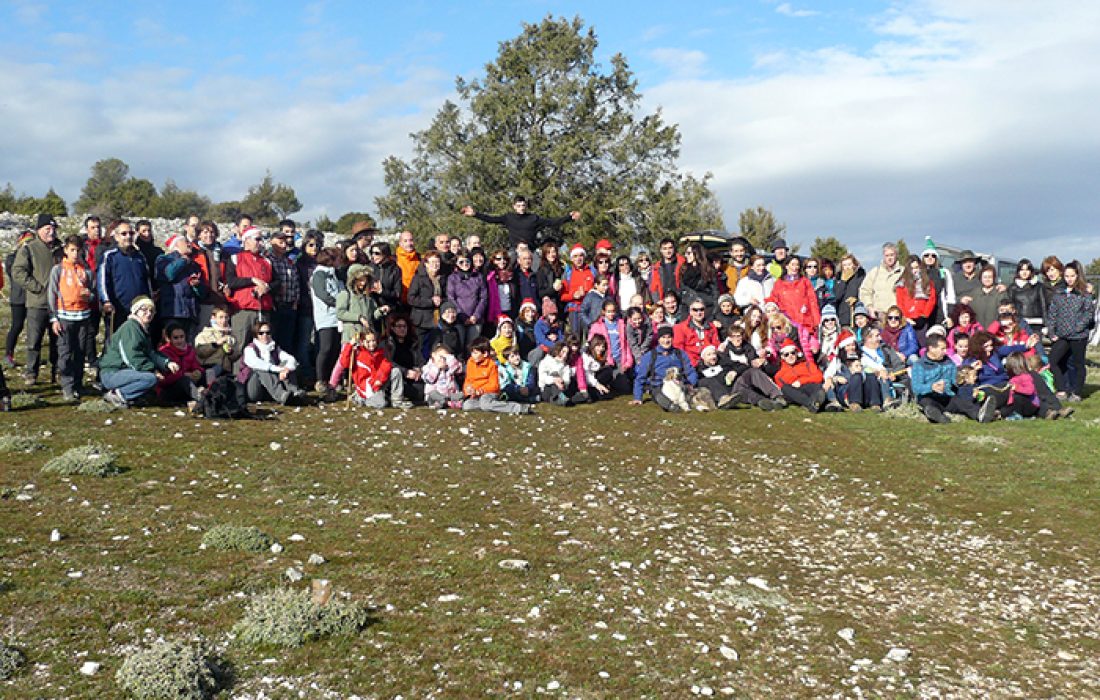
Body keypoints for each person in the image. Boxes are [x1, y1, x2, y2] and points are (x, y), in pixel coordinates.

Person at [98, 296, 180, 408]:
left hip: (124, 371)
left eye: (151, 311)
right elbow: (132, 356)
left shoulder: (142, 329)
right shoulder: (130, 327)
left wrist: (167, 363)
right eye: (144, 310)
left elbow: (151, 353)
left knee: (155, 378)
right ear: (136, 311)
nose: (148, 313)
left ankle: (131, 396)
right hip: (113, 372)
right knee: (150, 379)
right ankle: (118, 394)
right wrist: (152, 370)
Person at [12, 214, 61, 385]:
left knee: (58, 341)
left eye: (53, 228)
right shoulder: (29, 248)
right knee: (34, 341)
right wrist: (37, 288)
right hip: (37, 303)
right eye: (47, 229)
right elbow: (18, 271)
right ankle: (31, 373)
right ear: (39, 230)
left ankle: (58, 372)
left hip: (59, 304)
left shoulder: (61, 248)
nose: (51, 232)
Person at [48, 235, 95, 401]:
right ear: (66, 250)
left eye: (78, 250)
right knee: (65, 353)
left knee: (80, 352)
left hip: (83, 317)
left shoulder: (86, 270)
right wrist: (54, 318)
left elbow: (93, 292)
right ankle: (67, 387)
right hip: (64, 317)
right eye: (72, 250)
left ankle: (78, 384)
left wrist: (89, 295)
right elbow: (52, 294)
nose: (75, 253)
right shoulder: (58, 270)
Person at [912, 334, 993, 423]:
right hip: (929, 396)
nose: (945, 351)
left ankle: (980, 415)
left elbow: (955, 381)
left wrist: (966, 376)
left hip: (947, 396)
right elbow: (916, 387)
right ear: (931, 348)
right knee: (927, 402)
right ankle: (937, 416)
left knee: (962, 402)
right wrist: (932, 387)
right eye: (942, 349)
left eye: (945, 348)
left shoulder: (949, 362)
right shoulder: (919, 365)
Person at [1045, 260, 1095, 402]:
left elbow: (1088, 314)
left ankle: (1077, 392)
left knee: (1078, 363)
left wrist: (1078, 328)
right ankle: (1062, 389)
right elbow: (1052, 314)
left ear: (1078, 275)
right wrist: (1051, 332)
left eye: (1072, 276)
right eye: (1067, 276)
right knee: (1053, 360)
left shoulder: (1084, 294)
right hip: (1062, 335)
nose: (1069, 279)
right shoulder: (1059, 293)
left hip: (1078, 336)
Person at [329, 328, 411, 408]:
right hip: (366, 386)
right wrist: (349, 346)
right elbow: (345, 363)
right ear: (362, 342)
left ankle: (397, 401)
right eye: (368, 342)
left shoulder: (380, 352)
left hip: (378, 381)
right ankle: (359, 398)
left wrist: (380, 379)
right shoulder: (357, 353)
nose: (371, 344)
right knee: (381, 404)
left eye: (373, 341)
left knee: (396, 371)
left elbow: (386, 365)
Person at [461, 195, 580, 250]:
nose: (521, 208)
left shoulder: (533, 218)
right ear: (514, 206)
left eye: (523, 205)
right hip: (515, 250)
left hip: (530, 250)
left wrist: (569, 217)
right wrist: (475, 214)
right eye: (518, 205)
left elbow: (552, 222)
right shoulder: (509, 218)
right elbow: (491, 219)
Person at [98, 218, 153, 334]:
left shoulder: (140, 256)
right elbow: (102, 281)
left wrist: (150, 300)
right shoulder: (110, 256)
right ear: (116, 236)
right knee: (115, 340)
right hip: (117, 309)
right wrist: (106, 301)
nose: (128, 236)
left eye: (131, 233)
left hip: (139, 309)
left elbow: (146, 281)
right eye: (124, 234)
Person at [715, 322, 786, 410]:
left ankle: (776, 397)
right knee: (741, 390)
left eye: (739, 336)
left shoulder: (749, 349)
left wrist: (762, 362)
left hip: (750, 379)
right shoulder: (724, 352)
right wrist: (742, 368)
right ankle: (763, 401)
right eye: (734, 336)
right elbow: (728, 366)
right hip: (735, 383)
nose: (737, 339)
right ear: (729, 338)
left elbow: (754, 365)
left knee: (754, 372)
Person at [225, 227, 274, 350]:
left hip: (263, 309)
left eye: (261, 239)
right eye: (257, 239)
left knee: (263, 347)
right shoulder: (235, 258)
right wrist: (251, 280)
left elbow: (276, 282)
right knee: (239, 346)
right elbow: (231, 281)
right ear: (247, 240)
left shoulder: (267, 261)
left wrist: (267, 287)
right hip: (243, 309)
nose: (260, 243)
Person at [631, 326, 698, 411]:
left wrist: (691, 384)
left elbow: (690, 371)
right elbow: (640, 378)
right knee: (658, 395)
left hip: (679, 385)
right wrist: (638, 397)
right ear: (658, 339)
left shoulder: (680, 354)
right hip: (659, 386)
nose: (666, 341)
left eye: (669, 337)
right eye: (663, 337)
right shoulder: (650, 356)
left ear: (672, 338)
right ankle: (671, 406)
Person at [240, 320, 306, 405]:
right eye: (261, 333)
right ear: (256, 335)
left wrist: (286, 369)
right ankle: (281, 395)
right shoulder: (249, 349)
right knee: (261, 369)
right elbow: (256, 363)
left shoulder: (274, 348)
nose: (265, 335)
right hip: (253, 389)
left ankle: (294, 392)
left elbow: (291, 359)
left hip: (270, 387)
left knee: (286, 363)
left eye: (268, 333)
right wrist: (278, 369)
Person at [462, 337, 532, 413]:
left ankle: (518, 408)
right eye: (472, 353)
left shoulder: (492, 365)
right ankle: (493, 405)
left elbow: (494, 386)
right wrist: (467, 390)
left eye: (475, 353)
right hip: (476, 393)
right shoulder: (470, 362)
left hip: (489, 393)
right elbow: (468, 379)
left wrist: (480, 391)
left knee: (485, 403)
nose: (472, 355)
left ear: (485, 354)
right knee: (467, 406)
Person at [154, 235, 202, 341]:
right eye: (185, 241)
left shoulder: (194, 265)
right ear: (176, 245)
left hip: (190, 313)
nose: (189, 244)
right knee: (172, 345)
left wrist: (197, 286)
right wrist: (183, 260)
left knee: (189, 346)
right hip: (173, 312)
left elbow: (202, 293)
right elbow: (168, 274)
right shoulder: (163, 259)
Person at [310, 247, 344, 392]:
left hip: (338, 317)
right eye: (338, 258)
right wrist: (339, 304)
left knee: (336, 348)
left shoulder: (335, 274)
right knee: (326, 348)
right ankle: (320, 379)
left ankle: (333, 379)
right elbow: (322, 294)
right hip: (325, 317)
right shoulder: (319, 275)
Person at [156, 322, 204, 408]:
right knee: (184, 381)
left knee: (208, 372)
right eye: (176, 338)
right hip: (168, 390)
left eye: (182, 337)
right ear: (168, 339)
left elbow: (196, 365)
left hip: (189, 384)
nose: (180, 340)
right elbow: (163, 380)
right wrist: (183, 375)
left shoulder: (189, 350)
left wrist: (198, 371)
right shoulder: (163, 352)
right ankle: (201, 399)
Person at [267, 228, 300, 353]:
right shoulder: (268, 260)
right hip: (275, 305)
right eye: (280, 242)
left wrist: (296, 300)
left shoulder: (289, 261)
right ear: (272, 242)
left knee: (287, 340)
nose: (284, 245)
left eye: (285, 242)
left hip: (290, 305)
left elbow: (295, 281)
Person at [767, 255, 820, 332]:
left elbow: (812, 302)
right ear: (786, 266)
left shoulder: (804, 281)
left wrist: (817, 322)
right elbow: (774, 300)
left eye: (797, 265)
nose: (795, 267)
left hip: (803, 320)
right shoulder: (779, 283)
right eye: (793, 264)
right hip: (786, 321)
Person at [3, 231, 33, 369]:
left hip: (33, 297)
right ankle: (8, 354)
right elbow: (14, 273)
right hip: (18, 298)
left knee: (34, 329)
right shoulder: (11, 258)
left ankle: (32, 358)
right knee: (17, 326)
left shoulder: (34, 257)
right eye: (26, 243)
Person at [773, 338, 827, 412]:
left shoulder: (808, 365)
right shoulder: (779, 375)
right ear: (782, 357)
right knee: (785, 389)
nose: (790, 356)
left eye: (792, 353)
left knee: (817, 387)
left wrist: (801, 381)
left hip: (809, 387)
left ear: (797, 353)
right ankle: (811, 404)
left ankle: (814, 403)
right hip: (794, 392)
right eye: (786, 354)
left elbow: (819, 377)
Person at [407, 251, 446, 353]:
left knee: (436, 348)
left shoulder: (442, 278)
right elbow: (411, 298)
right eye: (432, 262)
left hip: (436, 319)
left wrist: (441, 301)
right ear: (426, 264)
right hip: (421, 320)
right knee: (420, 348)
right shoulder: (418, 278)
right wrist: (430, 301)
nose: (435, 265)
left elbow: (447, 296)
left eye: (437, 262)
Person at [193, 221, 228, 333]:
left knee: (221, 333)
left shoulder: (222, 252)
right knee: (203, 333)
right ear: (199, 235)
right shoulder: (194, 251)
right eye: (205, 232)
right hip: (203, 300)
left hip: (220, 299)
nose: (209, 235)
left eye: (212, 232)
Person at [382, 314, 423, 404]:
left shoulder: (412, 342)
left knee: (421, 392)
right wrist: (405, 372)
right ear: (392, 328)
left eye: (404, 326)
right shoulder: (387, 343)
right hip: (395, 377)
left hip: (412, 377)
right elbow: (388, 362)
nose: (402, 329)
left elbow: (420, 360)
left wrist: (419, 369)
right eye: (399, 326)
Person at [336, 267, 383, 341]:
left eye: (365, 280)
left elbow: (372, 315)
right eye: (360, 280)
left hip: (366, 337)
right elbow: (340, 313)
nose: (363, 283)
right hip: (351, 337)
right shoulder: (345, 294)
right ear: (353, 280)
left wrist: (381, 311)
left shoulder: (368, 297)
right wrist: (359, 318)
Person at [858, 243, 902, 321]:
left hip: (897, 317)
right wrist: (869, 306)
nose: (889, 258)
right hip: (878, 316)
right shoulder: (875, 272)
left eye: (892, 255)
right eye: (887, 255)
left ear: (896, 255)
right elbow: (864, 291)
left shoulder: (903, 272)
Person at [194, 305, 240, 378]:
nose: (224, 320)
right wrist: (215, 344)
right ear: (214, 318)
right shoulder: (204, 334)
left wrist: (230, 352)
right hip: (208, 368)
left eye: (226, 317)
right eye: (221, 317)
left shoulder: (231, 336)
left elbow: (236, 356)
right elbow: (200, 352)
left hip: (226, 371)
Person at [895, 255, 937, 334]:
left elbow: (932, 299)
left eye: (916, 267)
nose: (915, 271)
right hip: (907, 319)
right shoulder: (901, 284)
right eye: (912, 268)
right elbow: (900, 302)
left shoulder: (927, 282)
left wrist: (924, 315)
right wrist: (906, 317)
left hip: (922, 319)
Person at [673, 299, 721, 367]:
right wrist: (694, 363)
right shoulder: (680, 328)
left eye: (701, 309)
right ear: (690, 312)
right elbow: (679, 350)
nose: (699, 313)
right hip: (691, 364)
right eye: (695, 310)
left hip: (711, 360)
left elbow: (716, 344)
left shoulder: (711, 327)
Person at [562, 244, 595, 336]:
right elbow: (562, 296)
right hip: (574, 310)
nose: (578, 259)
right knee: (575, 339)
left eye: (581, 255)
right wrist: (573, 296)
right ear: (572, 259)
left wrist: (587, 294)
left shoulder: (592, 271)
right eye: (575, 256)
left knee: (591, 337)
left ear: (584, 257)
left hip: (590, 310)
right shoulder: (568, 274)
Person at [920, 238, 954, 324]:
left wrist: (949, 315)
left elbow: (950, 293)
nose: (930, 257)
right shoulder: (919, 273)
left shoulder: (944, 272)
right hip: (922, 312)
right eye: (927, 255)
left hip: (940, 311)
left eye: (933, 256)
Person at [1007, 259, 1045, 335]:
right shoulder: (1012, 288)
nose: (1024, 272)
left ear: (1031, 271)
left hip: (1036, 326)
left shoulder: (1039, 286)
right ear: (1018, 271)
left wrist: (1046, 325)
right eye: (1022, 270)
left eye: (1027, 269)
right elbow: (1009, 307)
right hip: (1019, 324)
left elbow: (1044, 306)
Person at [679, 242, 717, 315]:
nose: (686, 255)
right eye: (685, 253)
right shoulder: (684, 270)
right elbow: (682, 289)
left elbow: (715, 291)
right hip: (687, 306)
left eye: (689, 253)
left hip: (705, 307)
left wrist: (715, 310)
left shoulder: (708, 270)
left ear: (697, 254)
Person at [833, 254, 866, 328]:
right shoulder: (838, 279)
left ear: (854, 264)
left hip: (857, 314)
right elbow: (837, 296)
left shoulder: (860, 276)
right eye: (844, 265)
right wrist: (843, 282)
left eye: (849, 264)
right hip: (843, 315)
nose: (847, 267)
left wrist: (856, 299)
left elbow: (864, 292)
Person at [536, 242, 565, 315]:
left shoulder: (562, 269)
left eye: (553, 252)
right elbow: (540, 293)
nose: (551, 255)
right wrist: (553, 289)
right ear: (544, 254)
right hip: (549, 307)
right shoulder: (541, 271)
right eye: (548, 252)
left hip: (562, 305)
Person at [395, 230, 421, 302]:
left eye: (411, 240)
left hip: (416, 300)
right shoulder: (394, 259)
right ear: (400, 243)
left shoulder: (420, 258)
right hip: (399, 300)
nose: (409, 243)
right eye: (405, 241)